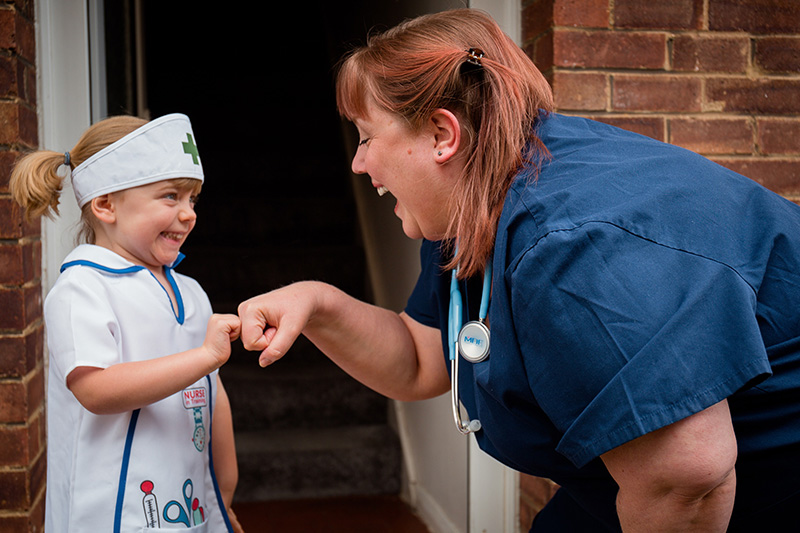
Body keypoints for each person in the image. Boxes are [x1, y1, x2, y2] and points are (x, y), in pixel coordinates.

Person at [237, 8, 800, 532]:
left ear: (441, 135)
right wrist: (317, 303)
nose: (358, 163)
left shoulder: (571, 245)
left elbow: (687, 480)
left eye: (365, 137)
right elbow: (418, 360)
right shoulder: (471, 202)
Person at [11, 114, 244, 532]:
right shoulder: (82, 288)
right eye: (171, 196)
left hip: (191, 509)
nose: (189, 214)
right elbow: (96, 389)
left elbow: (211, 392)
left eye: (193, 199)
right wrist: (205, 354)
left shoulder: (190, 292)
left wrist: (223, 491)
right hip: (112, 516)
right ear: (105, 205)